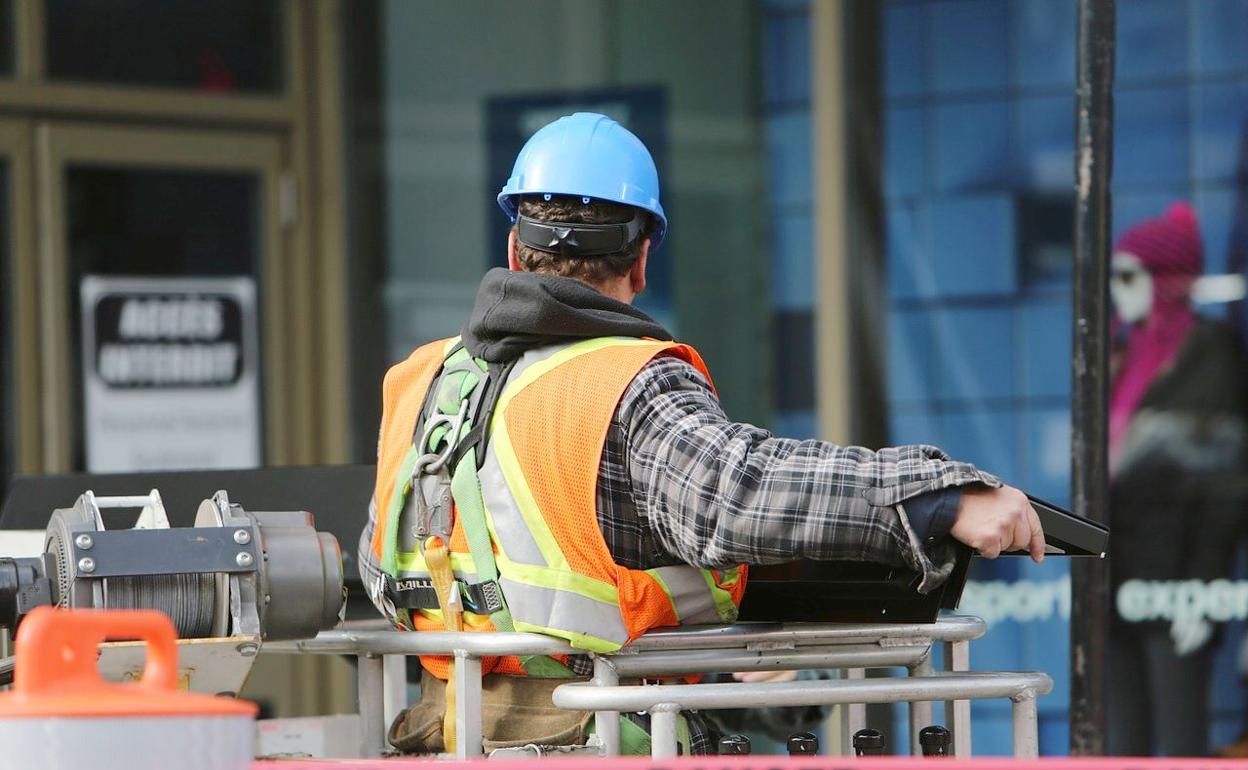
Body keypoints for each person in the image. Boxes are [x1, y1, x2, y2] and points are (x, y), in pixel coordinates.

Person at [357, 112, 1044, 756]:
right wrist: (939, 497)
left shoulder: (421, 383)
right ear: (642, 258)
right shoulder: (626, 383)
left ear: (513, 245)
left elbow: (380, 559)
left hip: (442, 738)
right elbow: (735, 494)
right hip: (596, 742)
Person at [1106, 203, 1248, 757]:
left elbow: (1223, 490)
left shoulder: (1211, 356)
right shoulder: (1119, 354)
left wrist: (1202, 590)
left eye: (1128, 276)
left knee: (1179, 740)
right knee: (1121, 743)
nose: (1118, 290)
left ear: (1165, 279)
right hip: (1116, 576)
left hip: (1177, 580)